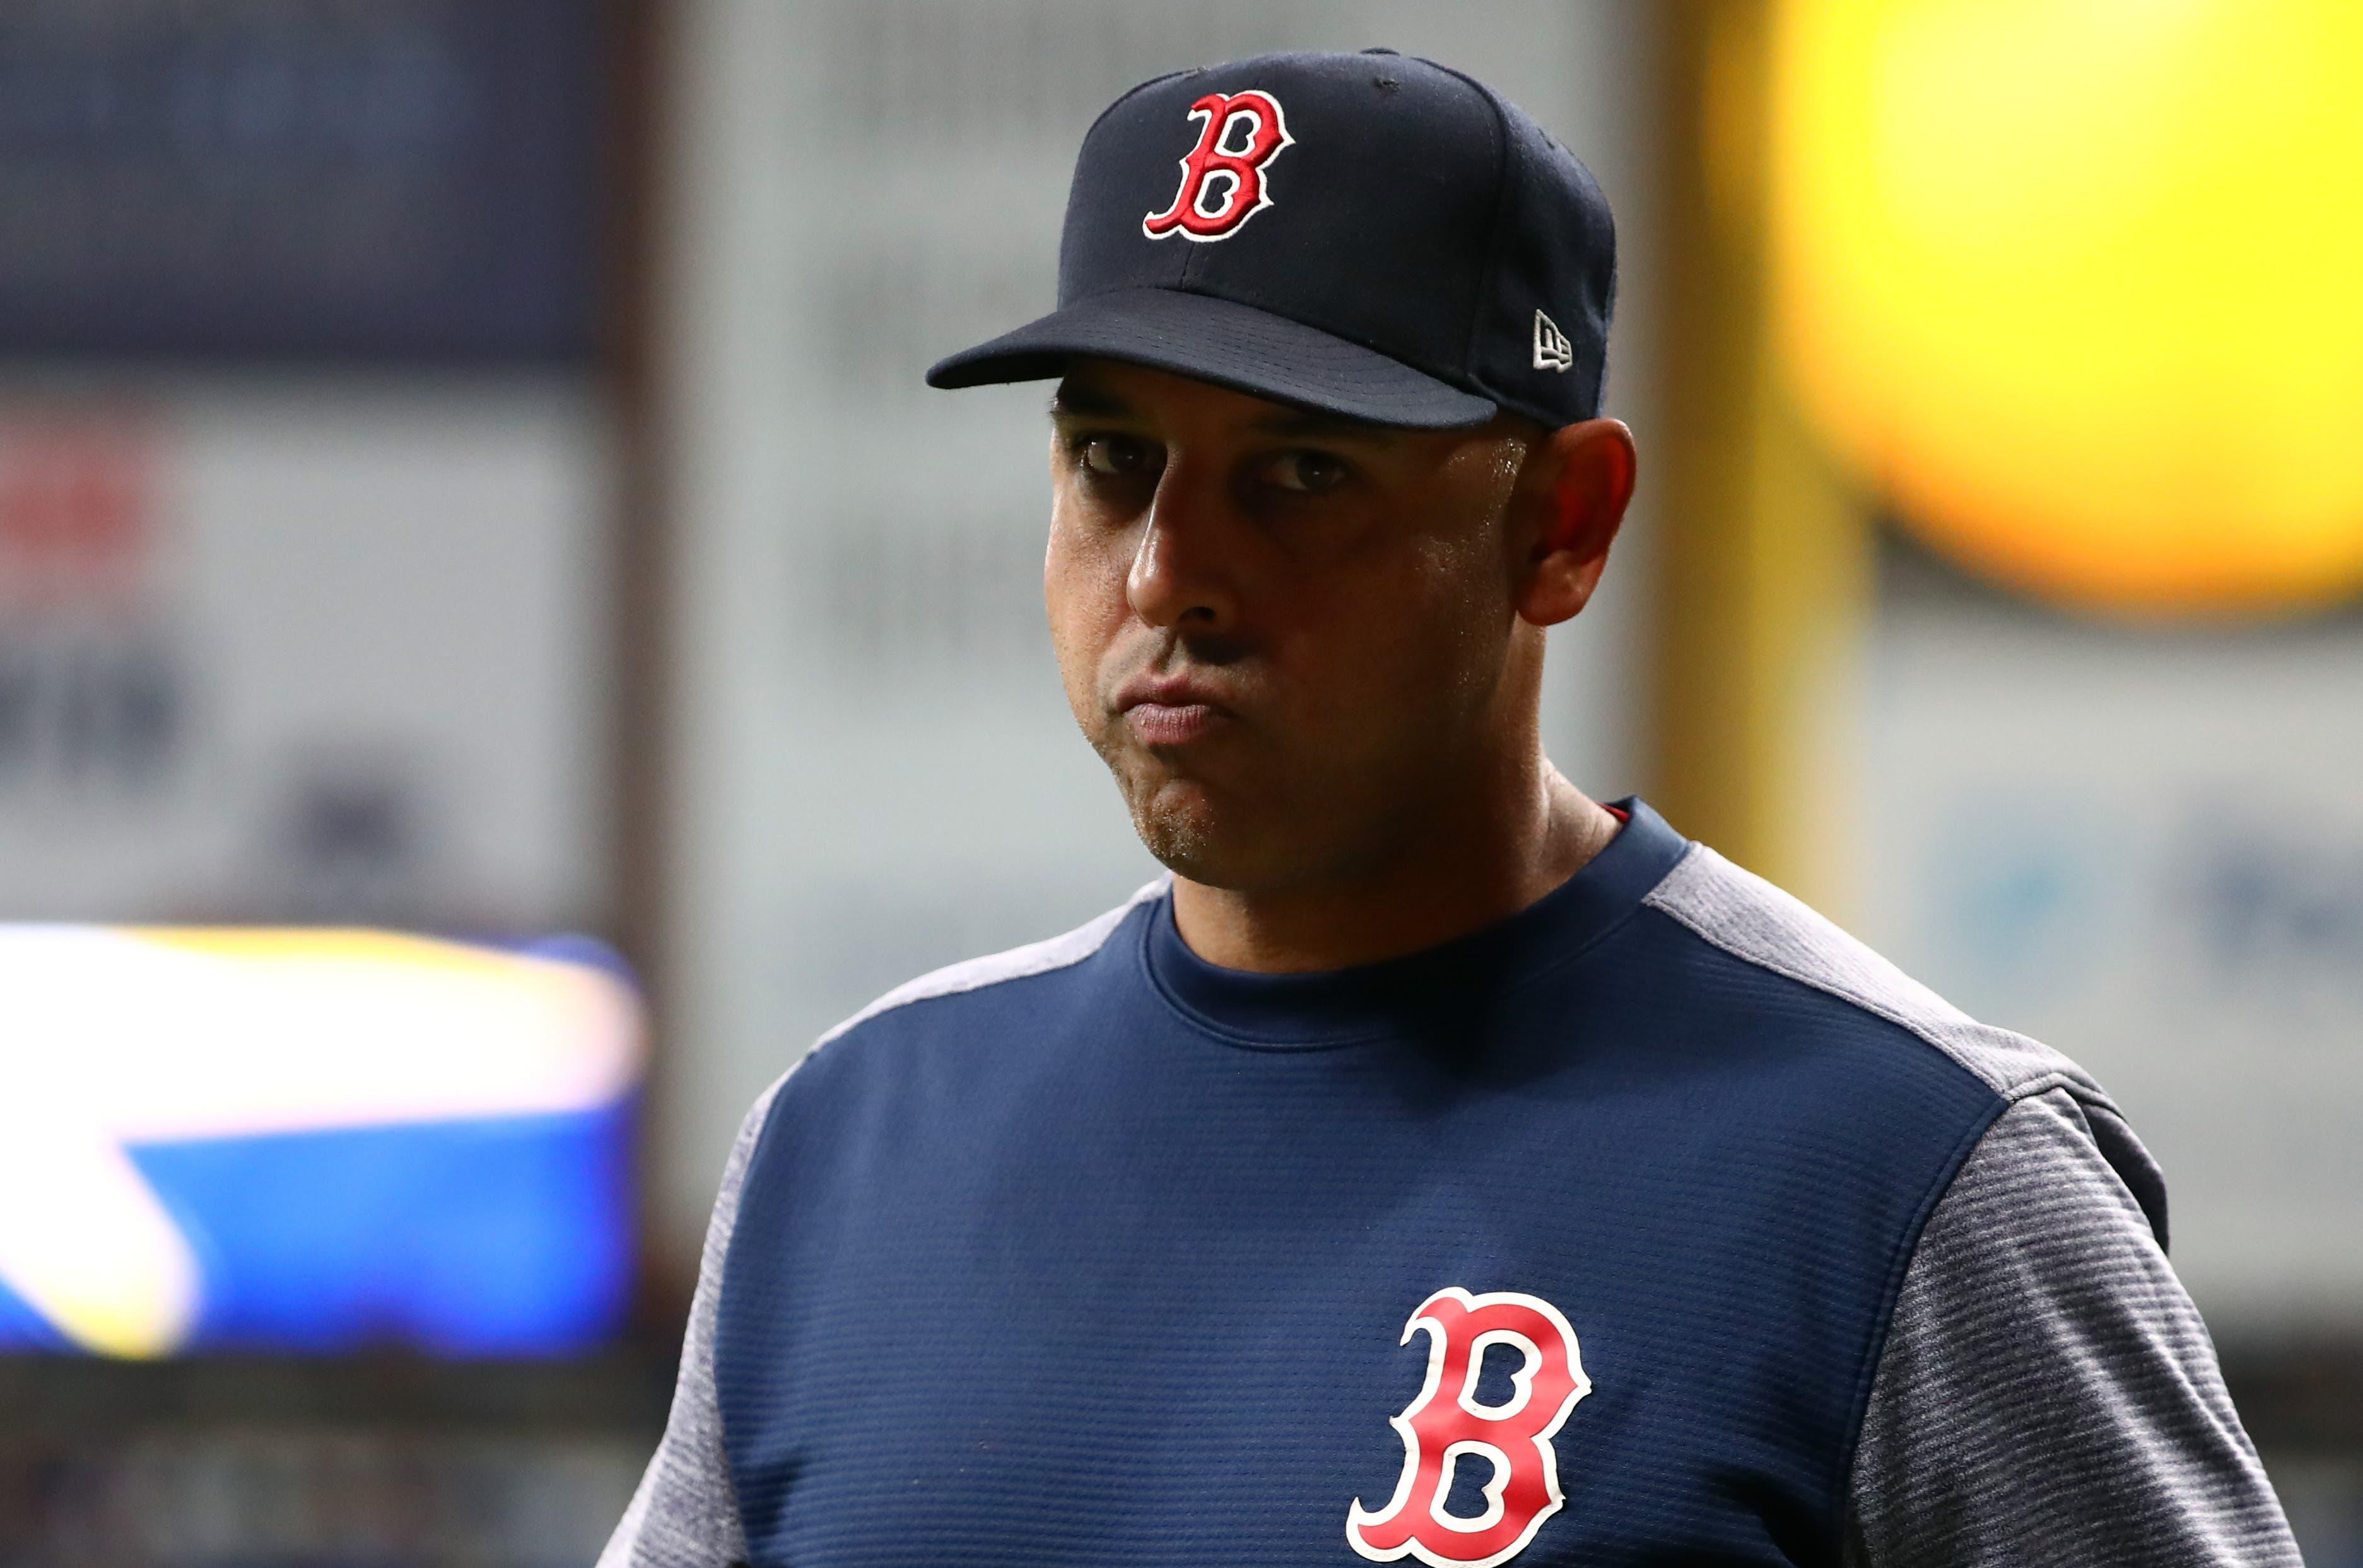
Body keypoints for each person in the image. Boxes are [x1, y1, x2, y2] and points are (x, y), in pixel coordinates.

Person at [602, 50, 2299, 1568]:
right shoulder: (853, 1145)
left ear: (1561, 522)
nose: (1169, 572)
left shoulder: (1911, 1174)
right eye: (1113, 460)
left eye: (1300, 474)